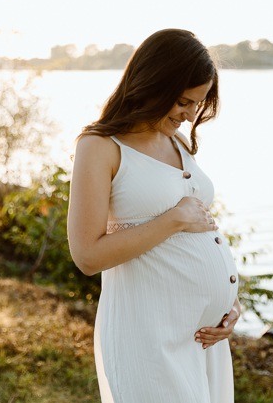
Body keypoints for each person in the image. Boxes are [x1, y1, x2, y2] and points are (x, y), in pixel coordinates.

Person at [67, 28, 241, 403]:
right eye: (182, 101)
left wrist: (229, 301)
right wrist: (172, 219)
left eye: (198, 103)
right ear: (152, 84)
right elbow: (87, 255)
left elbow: (197, 227)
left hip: (203, 340)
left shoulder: (176, 141)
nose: (190, 113)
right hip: (148, 338)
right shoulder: (99, 147)